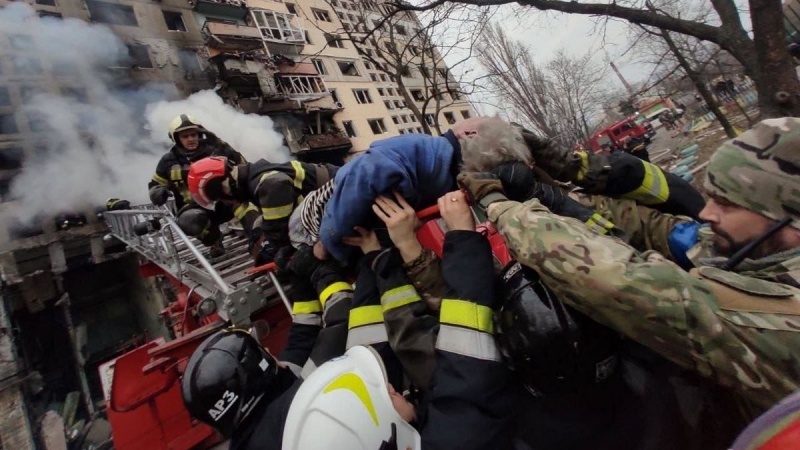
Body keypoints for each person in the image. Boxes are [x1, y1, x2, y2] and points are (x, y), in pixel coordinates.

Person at [457, 117, 800, 414]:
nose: (708, 213)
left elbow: (618, 279)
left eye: (726, 204)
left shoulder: (779, 321)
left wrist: (500, 206)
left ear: (789, 219)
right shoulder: (759, 253)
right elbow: (663, 228)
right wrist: (575, 170)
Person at [182, 191, 519, 450]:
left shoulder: (276, 424)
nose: (387, 388)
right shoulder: (312, 403)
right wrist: (458, 238)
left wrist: (315, 275)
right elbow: (465, 371)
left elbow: (305, 330)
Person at [317, 116, 533, 262]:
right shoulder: (421, 152)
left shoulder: (444, 166)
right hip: (323, 220)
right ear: (468, 134)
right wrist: (330, 243)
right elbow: (362, 173)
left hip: (371, 234)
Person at [186, 156, 338, 264]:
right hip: (330, 196)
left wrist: (277, 244)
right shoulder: (252, 177)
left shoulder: (264, 183)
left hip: (340, 191)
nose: (228, 202)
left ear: (220, 187)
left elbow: (276, 187)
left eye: (221, 198)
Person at [148, 114, 256, 256]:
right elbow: (155, 185)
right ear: (176, 139)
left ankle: (257, 238)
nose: (191, 139)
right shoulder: (168, 161)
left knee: (245, 204)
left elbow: (242, 164)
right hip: (193, 208)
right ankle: (215, 240)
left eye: (193, 135)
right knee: (189, 220)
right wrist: (158, 192)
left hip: (222, 200)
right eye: (185, 136)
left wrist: (222, 144)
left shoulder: (214, 150)